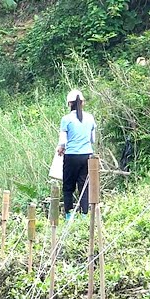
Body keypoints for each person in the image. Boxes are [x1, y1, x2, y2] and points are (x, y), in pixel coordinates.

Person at [57, 88, 96, 220]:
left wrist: (61, 148)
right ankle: (84, 215)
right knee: (84, 185)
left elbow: (63, 141)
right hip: (87, 156)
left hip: (71, 156)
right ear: (82, 103)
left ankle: (69, 215)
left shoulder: (66, 119)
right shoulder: (90, 118)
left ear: (69, 103)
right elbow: (93, 140)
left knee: (68, 186)